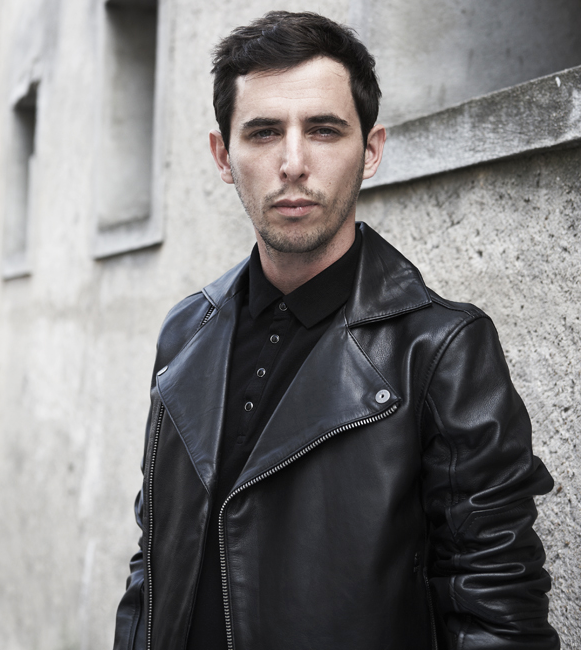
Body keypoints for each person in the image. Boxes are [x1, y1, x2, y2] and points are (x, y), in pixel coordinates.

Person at [113, 11, 560, 650]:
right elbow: (153, 559)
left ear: (370, 150)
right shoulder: (186, 330)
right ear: (223, 155)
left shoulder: (441, 350)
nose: (293, 163)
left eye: (323, 130)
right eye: (264, 132)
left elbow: (495, 607)